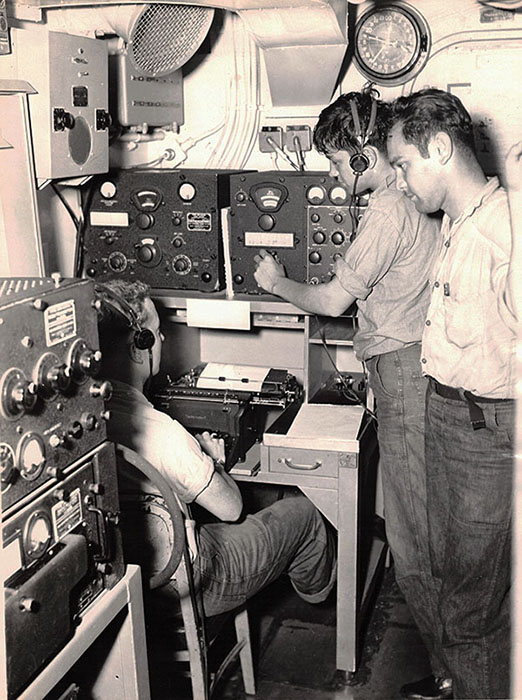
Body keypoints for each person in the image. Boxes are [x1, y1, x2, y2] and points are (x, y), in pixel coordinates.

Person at [254, 89, 448, 700]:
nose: (337, 177)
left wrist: (276, 282)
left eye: (338, 163)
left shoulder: (387, 212)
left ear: (363, 155)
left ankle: (453, 675)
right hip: (414, 367)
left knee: (413, 538)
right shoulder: (415, 197)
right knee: (414, 523)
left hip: (402, 375)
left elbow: (333, 301)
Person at [95, 278, 337, 619]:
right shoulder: (163, 434)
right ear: (140, 346)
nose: (162, 339)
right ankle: (322, 602)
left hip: (121, 584)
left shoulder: (87, 423)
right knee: (306, 513)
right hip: (189, 582)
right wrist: (213, 461)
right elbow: (231, 509)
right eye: (157, 332)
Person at [387, 88, 517, 700]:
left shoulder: (506, 229)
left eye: (403, 165)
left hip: (487, 432)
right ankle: (460, 683)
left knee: (472, 609)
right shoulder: (457, 222)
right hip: (448, 416)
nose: (399, 182)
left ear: (439, 148)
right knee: (449, 577)